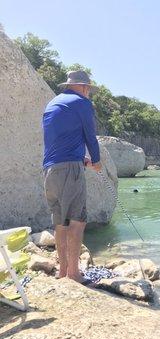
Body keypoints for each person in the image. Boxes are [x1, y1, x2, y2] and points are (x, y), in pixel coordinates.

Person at [42, 70, 101, 283]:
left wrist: (80, 157)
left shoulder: (53, 103)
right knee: (77, 221)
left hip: (50, 170)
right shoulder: (81, 103)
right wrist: (95, 160)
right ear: (84, 87)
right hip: (70, 171)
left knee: (60, 223)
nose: (89, 94)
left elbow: (60, 140)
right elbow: (90, 136)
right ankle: (75, 275)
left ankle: (63, 271)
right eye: (89, 90)